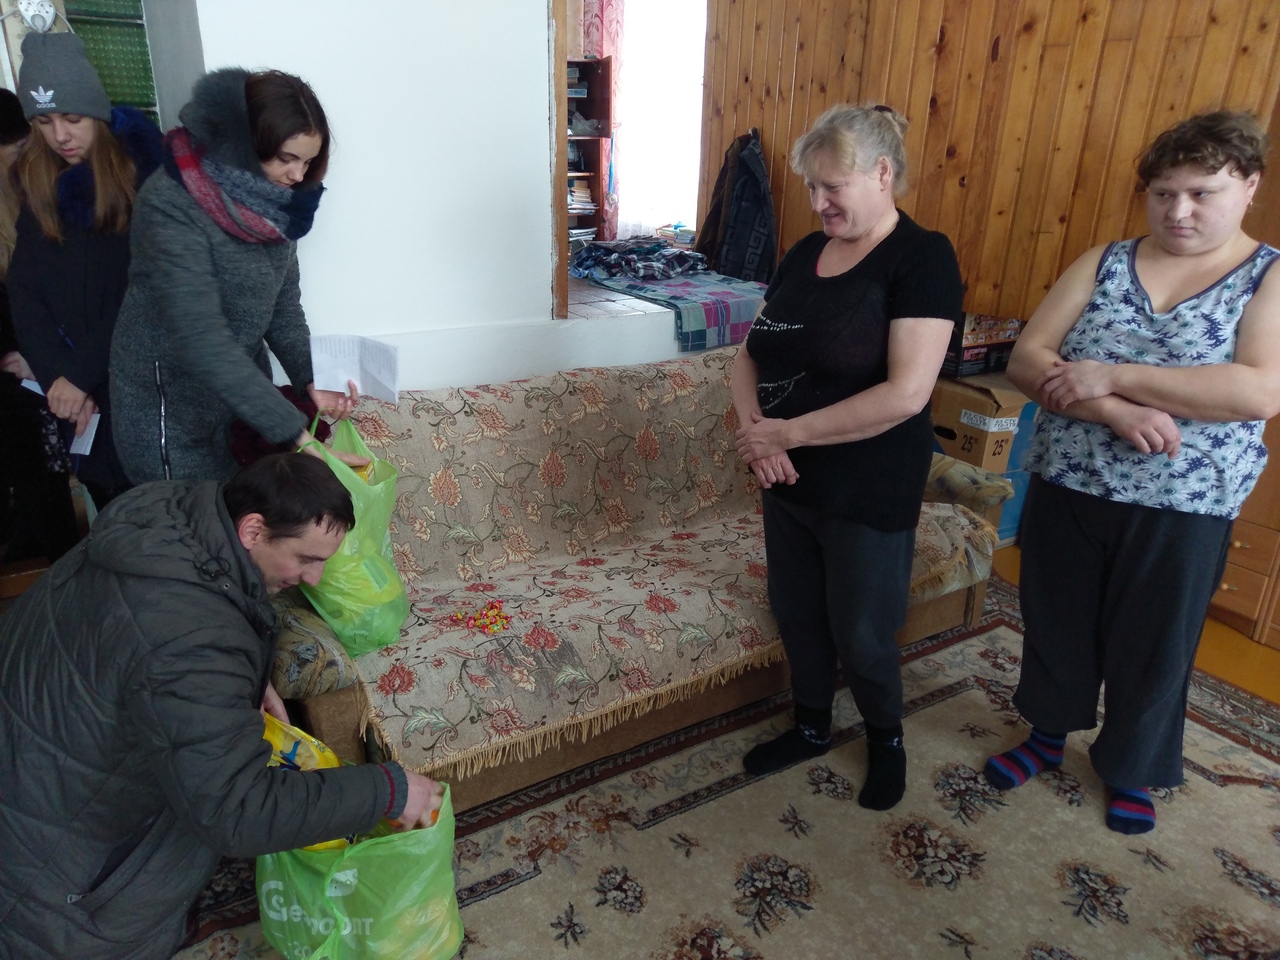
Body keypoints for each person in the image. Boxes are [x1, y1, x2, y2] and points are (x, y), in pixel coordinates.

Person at [0, 452, 444, 960]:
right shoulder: (191, 642)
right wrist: (387, 789)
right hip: (55, 867)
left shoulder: (170, 511)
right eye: (306, 558)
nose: (315, 578)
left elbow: (146, 649)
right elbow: (236, 811)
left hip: (36, 750)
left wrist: (242, 679)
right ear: (253, 530)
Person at [983, 111, 1280, 835]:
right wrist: (1112, 411)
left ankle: (1129, 766)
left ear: (1248, 187)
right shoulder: (1104, 261)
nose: (1178, 211)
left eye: (1202, 193)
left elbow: (1257, 390)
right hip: (1069, 479)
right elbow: (1028, 359)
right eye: (1163, 193)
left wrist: (1111, 374)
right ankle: (1046, 735)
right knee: (1057, 620)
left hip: (1185, 502)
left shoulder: (1268, 276)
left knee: (1154, 643)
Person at [731, 103, 963, 810]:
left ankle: (886, 739)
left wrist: (786, 434)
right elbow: (749, 354)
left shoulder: (922, 257)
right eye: (811, 187)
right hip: (786, 475)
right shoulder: (805, 252)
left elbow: (906, 394)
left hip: (867, 484)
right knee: (797, 613)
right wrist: (757, 434)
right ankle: (809, 726)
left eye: (832, 186)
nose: (818, 202)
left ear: (882, 173)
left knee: (862, 632)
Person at [111, 67, 359, 485]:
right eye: (286, 159)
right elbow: (201, 339)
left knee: (242, 516)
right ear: (245, 144)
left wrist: (312, 376)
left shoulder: (278, 206)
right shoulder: (170, 203)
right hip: (170, 411)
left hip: (241, 407)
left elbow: (283, 307)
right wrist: (296, 435)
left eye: (308, 162)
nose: (298, 176)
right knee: (192, 520)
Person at [6, 30, 163, 509]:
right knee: (110, 513)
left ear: (96, 112)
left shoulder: (145, 179)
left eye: (72, 118)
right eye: (44, 121)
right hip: (75, 397)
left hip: (139, 388)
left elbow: (143, 294)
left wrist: (80, 375)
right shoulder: (36, 180)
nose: (60, 136)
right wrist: (60, 380)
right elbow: (24, 290)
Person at [0, 85, 80, 561]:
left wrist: (40, 356)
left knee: (45, 477)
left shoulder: (43, 195)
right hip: (24, 371)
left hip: (43, 369)